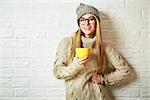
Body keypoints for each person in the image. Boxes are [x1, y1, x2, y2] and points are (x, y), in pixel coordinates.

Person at [53, 3, 130, 100]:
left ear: (96, 22)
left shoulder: (104, 47)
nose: (86, 23)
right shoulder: (67, 43)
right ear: (79, 23)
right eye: (82, 20)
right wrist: (77, 64)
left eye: (91, 19)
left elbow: (124, 70)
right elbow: (58, 72)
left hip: (99, 96)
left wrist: (104, 79)